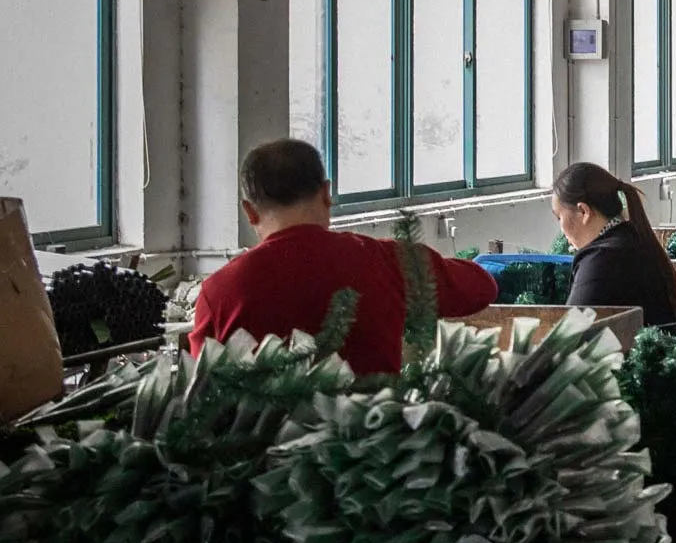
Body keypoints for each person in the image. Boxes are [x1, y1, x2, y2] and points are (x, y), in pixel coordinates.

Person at [188, 138, 497, 375]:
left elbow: (202, 383)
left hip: (267, 455)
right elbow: (481, 287)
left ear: (250, 211)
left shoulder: (219, 292)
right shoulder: (386, 261)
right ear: (326, 193)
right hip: (370, 446)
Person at [550, 162, 676, 327]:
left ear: (584, 211)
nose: (561, 229)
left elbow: (568, 336)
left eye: (559, 218)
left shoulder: (600, 259)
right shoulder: (631, 238)